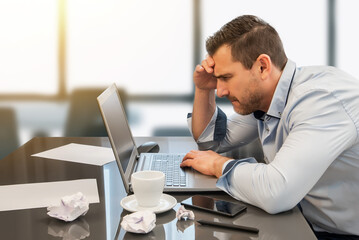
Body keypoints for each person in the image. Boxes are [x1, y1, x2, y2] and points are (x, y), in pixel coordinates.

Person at [180, 15, 359, 239]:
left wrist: (219, 164)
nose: (221, 91)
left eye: (226, 77)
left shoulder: (320, 101)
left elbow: (276, 192)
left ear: (262, 67)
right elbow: (212, 140)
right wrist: (203, 89)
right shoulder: (269, 97)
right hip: (304, 220)